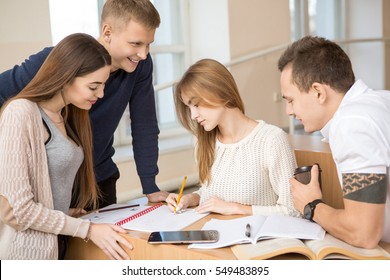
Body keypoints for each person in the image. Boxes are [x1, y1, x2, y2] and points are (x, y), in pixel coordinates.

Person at [0, 0, 168, 209]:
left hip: (99, 177)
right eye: (135, 44)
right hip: (55, 182)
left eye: (148, 44)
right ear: (107, 32)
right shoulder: (60, 60)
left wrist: (149, 184)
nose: (143, 54)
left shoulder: (141, 65)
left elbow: (145, 124)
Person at [0, 33, 133, 260]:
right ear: (66, 77)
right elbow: (19, 210)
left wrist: (66, 214)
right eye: (93, 87)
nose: (101, 94)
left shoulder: (67, 116)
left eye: (103, 86)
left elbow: (45, 190)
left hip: (56, 246)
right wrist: (87, 230)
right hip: (24, 254)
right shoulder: (21, 113)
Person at [278, 35, 390, 248]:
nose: (289, 111)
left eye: (291, 100)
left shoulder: (352, 124)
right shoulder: (380, 100)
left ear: (319, 92)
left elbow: (363, 233)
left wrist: (311, 205)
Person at [165, 59, 299, 217]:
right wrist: (192, 198)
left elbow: (293, 210)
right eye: (189, 108)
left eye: (196, 104)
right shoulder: (204, 143)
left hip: (256, 239)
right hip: (214, 236)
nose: (193, 115)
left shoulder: (271, 140)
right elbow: (217, 192)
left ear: (218, 92)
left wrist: (238, 208)